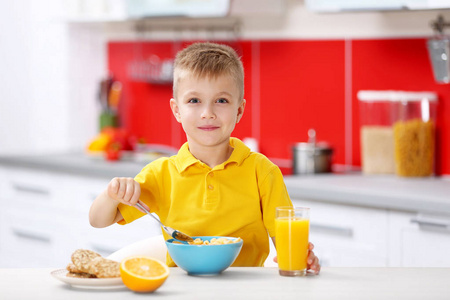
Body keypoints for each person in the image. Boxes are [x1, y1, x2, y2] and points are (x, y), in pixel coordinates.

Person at [89, 42, 320, 273]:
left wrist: (304, 259)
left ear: (239, 110)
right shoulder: (161, 174)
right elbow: (98, 220)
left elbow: (289, 246)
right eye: (194, 101)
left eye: (221, 101)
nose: (207, 113)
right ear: (177, 110)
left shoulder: (262, 172)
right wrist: (112, 193)